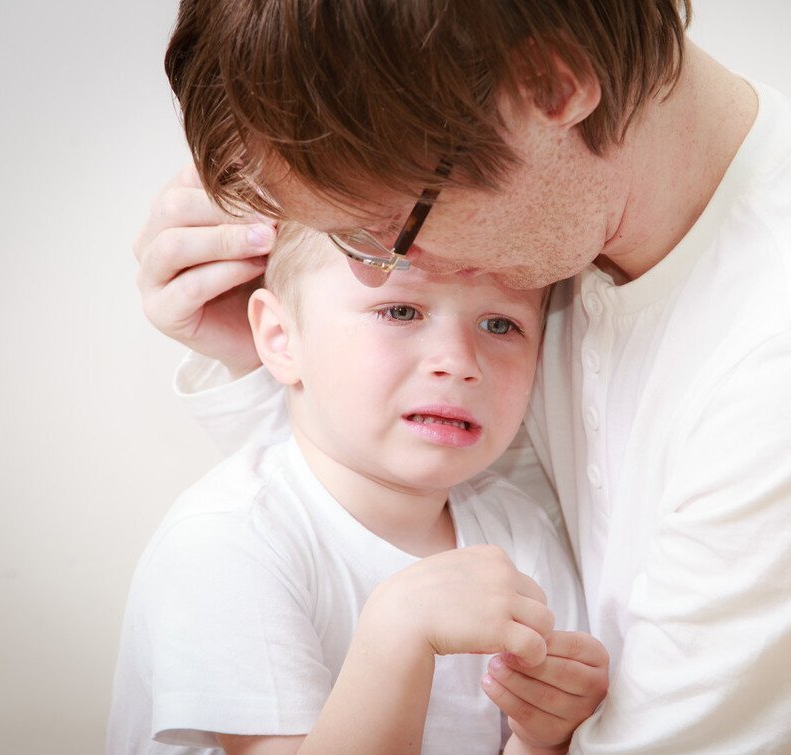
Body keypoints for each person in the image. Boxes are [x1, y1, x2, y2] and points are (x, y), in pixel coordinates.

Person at [133, 1, 791, 752]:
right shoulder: (593, 208)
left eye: (380, 230)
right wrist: (269, 354)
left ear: (551, 89)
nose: (370, 268)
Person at [110, 223, 609, 755]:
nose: (460, 362)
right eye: (401, 312)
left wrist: (542, 738)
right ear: (280, 339)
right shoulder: (226, 541)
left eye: (499, 323)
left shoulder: (520, 532)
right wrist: (400, 632)